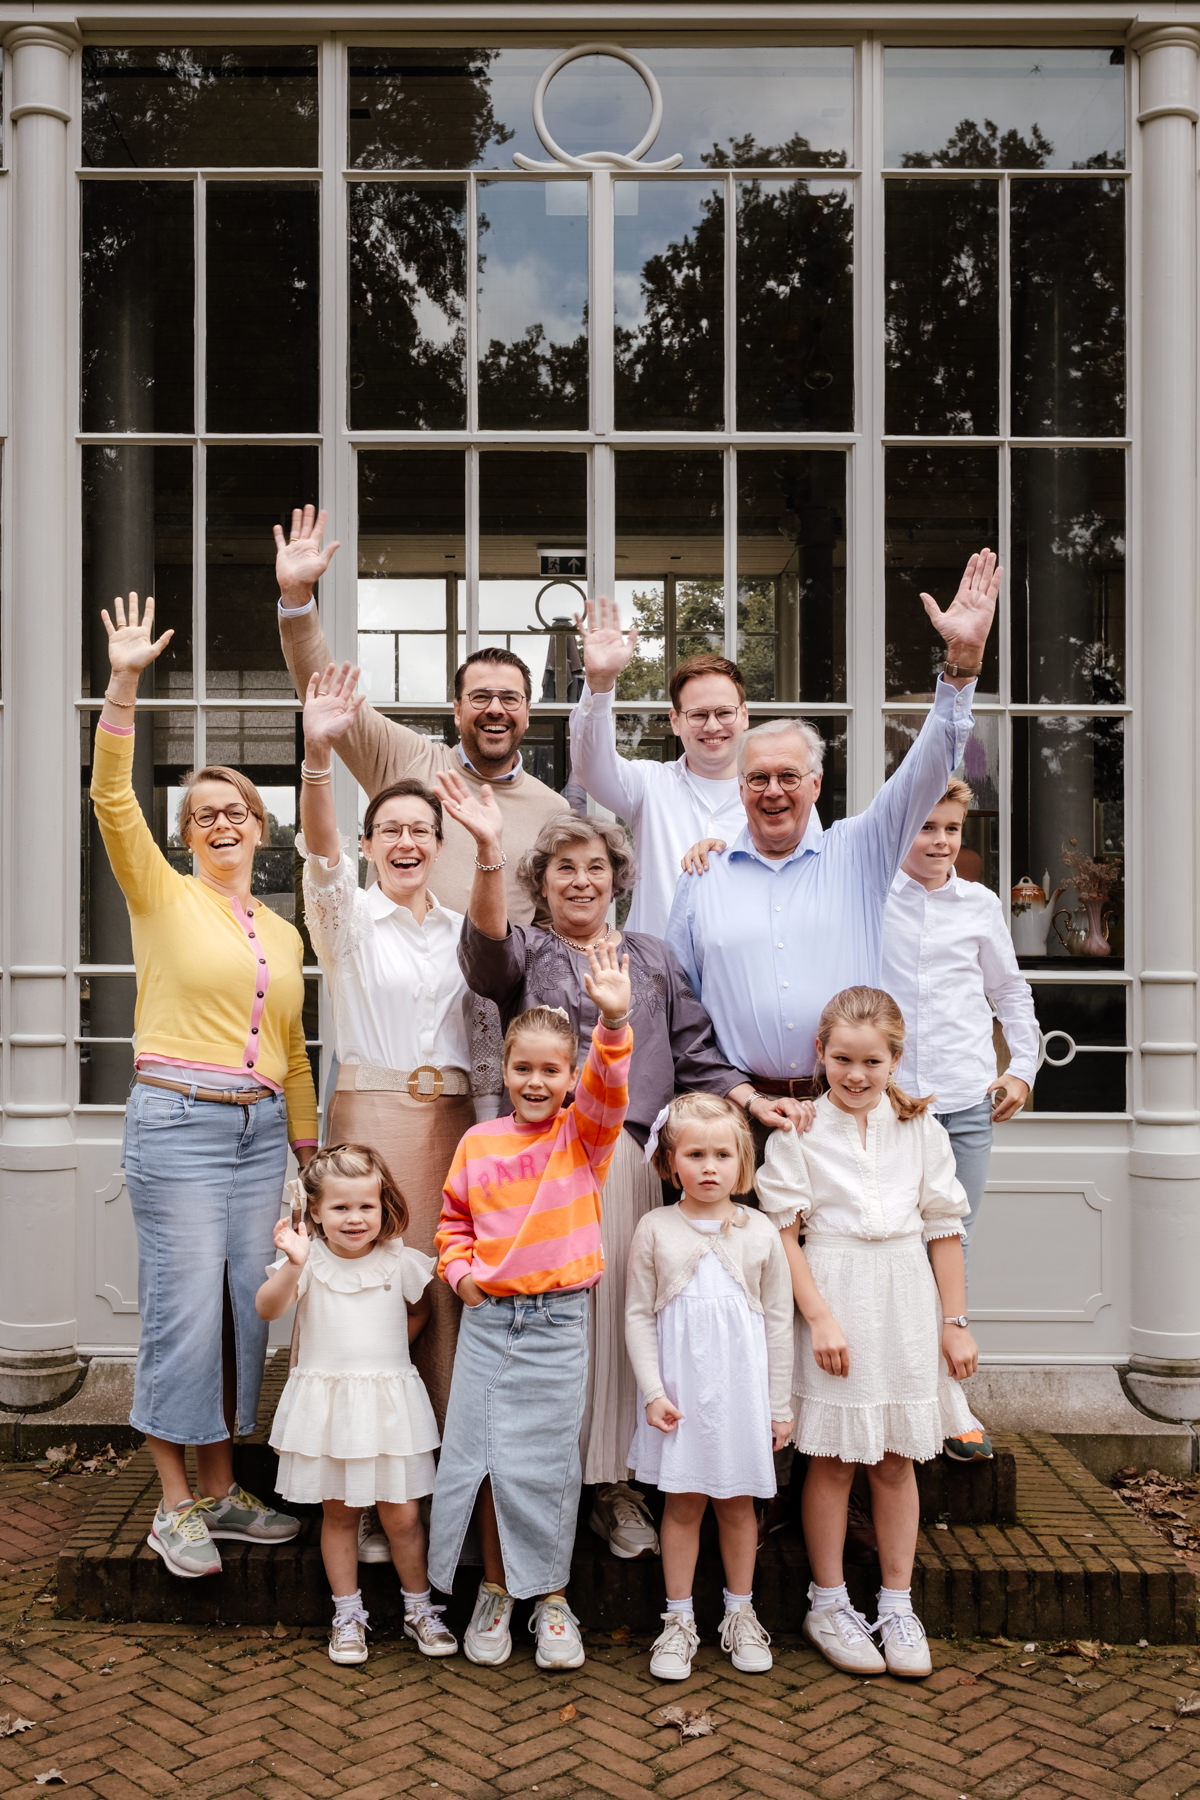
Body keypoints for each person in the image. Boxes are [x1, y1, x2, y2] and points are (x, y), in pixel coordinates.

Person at [436, 772, 805, 1560]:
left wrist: (751, 1100)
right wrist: (491, 850)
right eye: (564, 868)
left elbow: (696, 1052)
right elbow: (484, 955)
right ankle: (548, 1485)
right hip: (548, 1176)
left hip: (634, 1166)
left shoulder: (655, 957)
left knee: (628, 1330)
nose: (581, 880)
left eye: (596, 867)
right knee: (564, 1337)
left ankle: (617, 1487)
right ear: (543, 881)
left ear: (618, 879)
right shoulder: (527, 951)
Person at [90, 592, 317, 1581]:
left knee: (239, 1311)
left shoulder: (285, 933)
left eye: (236, 809)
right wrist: (126, 684)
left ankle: (222, 1489)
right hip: (180, 1124)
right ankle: (172, 1505)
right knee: (184, 1310)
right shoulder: (160, 894)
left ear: (259, 827)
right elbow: (110, 799)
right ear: (187, 834)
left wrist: (306, 1156)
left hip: (261, 1131)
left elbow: (297, 1051)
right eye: (203, 813)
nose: (222, 822)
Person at [668, 549, 1002, 1106]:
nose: (773, 790)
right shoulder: (703, 877)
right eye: (757, 779)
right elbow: (681, 1005)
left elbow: (925, 770)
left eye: (788, 776)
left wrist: (961, 664)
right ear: (740, 788)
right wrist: (732, 1094)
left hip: (842, 1108)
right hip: (738, 1115)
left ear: (816, 785)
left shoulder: (860, 850)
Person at [756, 987, 978, 1680]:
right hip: (834, 1288)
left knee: (894, 1459)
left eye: (872, 1062)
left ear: (894, 1060)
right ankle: (827, 1602)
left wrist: (955, 1324)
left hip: (905, 1295)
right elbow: (784, 1233)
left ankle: (897, 1601)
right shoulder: (799, 1129)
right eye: (843, 1059)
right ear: (820, 1054)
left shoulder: (922, 1129)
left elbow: (944, 1231)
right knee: (833, 1458)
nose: (856, 1075)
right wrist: (818, 1315)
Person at [428, 949, 633, 1673]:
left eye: (553, 1070)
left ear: (570, 1076)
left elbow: (610, 1086)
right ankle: (494, 1591)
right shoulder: (478, 1143)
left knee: (545, 1466)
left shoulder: (584, 1137)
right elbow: (452, 1224)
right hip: (490, 1321)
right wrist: (461, 1279)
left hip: (557, 1324)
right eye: (524, 1069)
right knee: (484, 1462)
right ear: (505, 1072)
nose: (537, 1082)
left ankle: (550, 1599)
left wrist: (612, 1019)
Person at [297, 662, 475, 1433]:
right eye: (391, 831)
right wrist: (317, 760)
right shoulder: (348, 921)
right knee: (366, 1286)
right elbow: (319, 854)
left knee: (445, 1286)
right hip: (371, 1120)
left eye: (421, 832)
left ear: (440, 845)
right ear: (369, 845)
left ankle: (442, 1477)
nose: (407, 843)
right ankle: (364, 1482)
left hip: (458, 1126)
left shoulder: (467, 927)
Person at [272, 506, 568, 921]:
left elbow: (548, 921)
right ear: (457, 709)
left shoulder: (552, 811)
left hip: (494, 987)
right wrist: (298, 600)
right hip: (399, 979)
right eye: (481, 697)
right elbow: (324, 689)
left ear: (528, 711)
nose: (495, 709)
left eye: (510, 698)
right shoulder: (405, 760)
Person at [881, 778, 1039, 1463]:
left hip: (964, 1104)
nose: (941, 841)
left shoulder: (979, 906)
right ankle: (888, 1393)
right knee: (886, 1248)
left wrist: (1023, 1069)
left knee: (953, 1247)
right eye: (927, 828)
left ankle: (950, 1400)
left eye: (951, 828)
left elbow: (1009, 991)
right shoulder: (872, 896)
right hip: (885, 1107)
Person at [257, 1144, 454, 1667]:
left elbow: (419, 1313)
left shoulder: (401, 1261)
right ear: (315, 1211)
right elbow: (267, 1308)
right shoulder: (307, 1262)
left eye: (365, 1206)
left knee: (404, 1517)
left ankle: (420, 1608)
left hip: (389, 1409)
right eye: (340, 1208)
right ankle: (347, 1614)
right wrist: (293, 1266)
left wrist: (386, 1367)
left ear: (383, 1205)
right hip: (329, 1412)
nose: (354, 1218)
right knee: (339, 1516)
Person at [625, 1094, 794, 1681]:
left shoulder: (761, 1233)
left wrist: (778, 1406)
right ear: (672, 1163)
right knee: (682, 1503)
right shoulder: (655, 1229)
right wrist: (652, 1391)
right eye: (695, 1154)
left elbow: (777, 1321)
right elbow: (638, 1316)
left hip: (741, 1397)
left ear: (742, 1163)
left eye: (723, 1154)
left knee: (739, 1504)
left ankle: (741, 1614)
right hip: (680, 1398)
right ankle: (677, 1621)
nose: (709, 1166)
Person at [568, 603, 766, 935]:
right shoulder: (649, 784)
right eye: (698, 715)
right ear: (676, 721)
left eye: (724, 713)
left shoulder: (776, 797)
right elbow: (590, 767)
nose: (712, 725)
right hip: (657, 980)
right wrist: (600, 683)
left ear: (744, 715)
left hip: (743, 979)